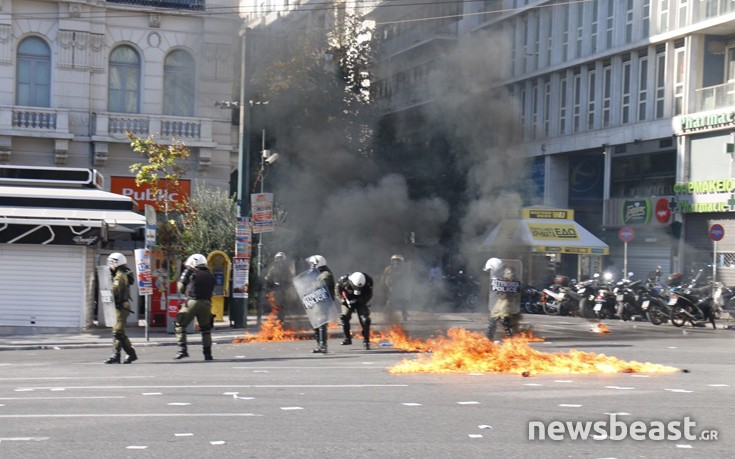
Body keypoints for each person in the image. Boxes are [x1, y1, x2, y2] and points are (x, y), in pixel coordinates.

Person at [174, 253, 216, 361]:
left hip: (193, 302)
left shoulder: (191, 272)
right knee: (206, 330)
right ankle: (208, 354)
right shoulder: (210, 275)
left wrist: (184, 281)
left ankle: (182, 350)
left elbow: (180, 288)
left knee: (179, 324)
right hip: (207, 304)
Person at [104, 253, 138, 364]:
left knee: (118, 332)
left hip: (121, 306)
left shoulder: (120, 275)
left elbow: (114, 290)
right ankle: (116, 355)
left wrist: (106, 290)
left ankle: (131, 353)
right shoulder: (120, 273)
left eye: (112, 262)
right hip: (119, 306)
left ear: (117, 263)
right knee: (116, 331)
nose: (110, 265)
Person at [484, 258, 522, 341]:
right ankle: (488, 339)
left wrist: (506, 281)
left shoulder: (508, 271)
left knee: (505, 319)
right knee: (493, 318)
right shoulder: (498, 273)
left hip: (508, 299)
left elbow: (513, 284)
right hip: (500, 298)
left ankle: (511, 340)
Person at [337, 271, 374, 350]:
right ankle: (347, 338)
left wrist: (359, 301)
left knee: (365, 320)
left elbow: (369, 295)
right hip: (348, 300)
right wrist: (342, 300)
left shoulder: (368, 282)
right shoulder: (343, 281)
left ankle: (366, 341)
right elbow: (337, 290)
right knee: (344, 317)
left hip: (361, 301)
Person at [305, 255, 335, 354]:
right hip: (317, 302)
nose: (311, 266)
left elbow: (321, 287)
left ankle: (323, 345)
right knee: (316, 323)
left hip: (323, 302)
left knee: (321, 322)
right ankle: (319, 345)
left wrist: (311, 286)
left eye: (312, 264)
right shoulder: (318, 274)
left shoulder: (325, 275)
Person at [263, 252, 292, 325]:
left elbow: (290, 279)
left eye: (281, 259)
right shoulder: (273, 269)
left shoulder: (287, 269)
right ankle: (271, 320)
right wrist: (269, 287)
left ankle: (281, 319)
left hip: (283, 289)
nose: (280, 261)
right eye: (278, 259)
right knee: (272, 305)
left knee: (282, 305)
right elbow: (268, 278)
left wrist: (286, 286)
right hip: (274, 289)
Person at [380, 254, 410, 322]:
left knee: (403, 302)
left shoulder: (404, 270)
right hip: (390, 288)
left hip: (401, 288)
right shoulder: (388, 269)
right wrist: (384, 286)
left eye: (398, 261)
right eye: (394, 261)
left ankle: (404, 314)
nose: (396, 263)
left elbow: (407, 280)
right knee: (390, 302)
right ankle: (389, 316)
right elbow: (384, 278)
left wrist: (405, 289)